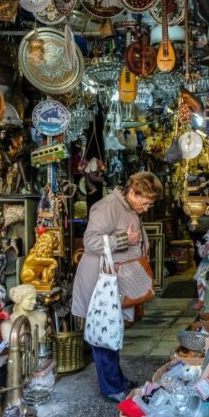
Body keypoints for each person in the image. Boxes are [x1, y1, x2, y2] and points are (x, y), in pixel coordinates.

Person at [72, 171, 163, 402]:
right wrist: (124, 239)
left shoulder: (129, 207)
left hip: (114, 281)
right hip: (99, 282)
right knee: (104, 332)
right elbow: (90, 241)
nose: (146, 208)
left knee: (112, 330)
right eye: (145, 203)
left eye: (150, 204)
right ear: (132, 192)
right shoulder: (108, 207)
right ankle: (112, 387)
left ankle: (117, 380)